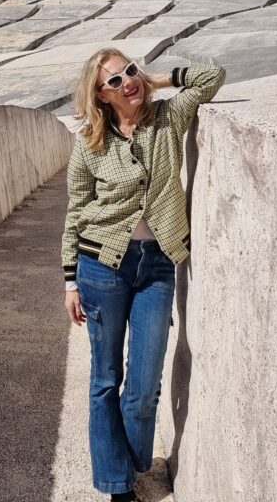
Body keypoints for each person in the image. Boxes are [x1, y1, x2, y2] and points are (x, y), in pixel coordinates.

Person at [62, 47, 226, 501]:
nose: (126, 82)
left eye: (129, 72)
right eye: (113, 81)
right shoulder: (90, 144)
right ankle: (119, 487)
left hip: (157, 264)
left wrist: (157, 77)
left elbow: (212, 76)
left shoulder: (168, 119)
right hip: (101, 267)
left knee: (144, 385)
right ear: (99, 95)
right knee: (105, 379)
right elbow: (76, 213)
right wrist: (71, 281)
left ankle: (132, 463)